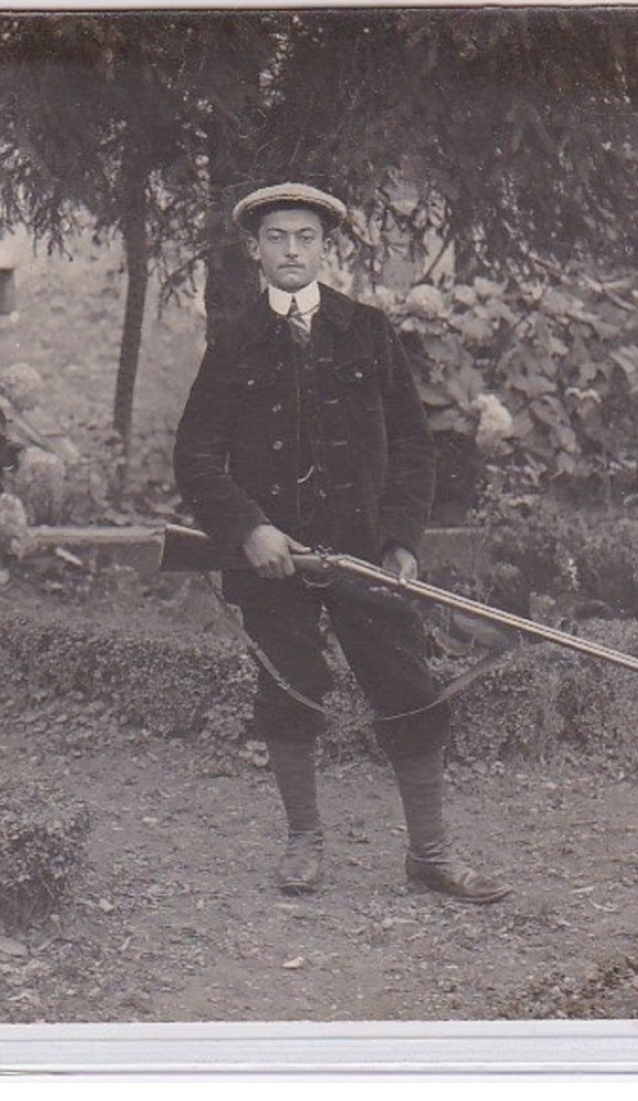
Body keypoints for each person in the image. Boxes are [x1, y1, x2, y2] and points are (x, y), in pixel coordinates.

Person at [172, 182, 511, 904]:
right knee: (287, 693)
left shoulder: (367, 330)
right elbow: (196, 458)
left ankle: (431, 852)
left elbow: (415, 449)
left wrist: (400, 542)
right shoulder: (233, 340)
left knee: (411, 692)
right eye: (276, 238)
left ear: (324, 247)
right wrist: (249, 528)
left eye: (304, 237)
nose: (291, 251)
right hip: (272, 561)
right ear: (255, 250)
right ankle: (303, 842)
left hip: (363, 554)